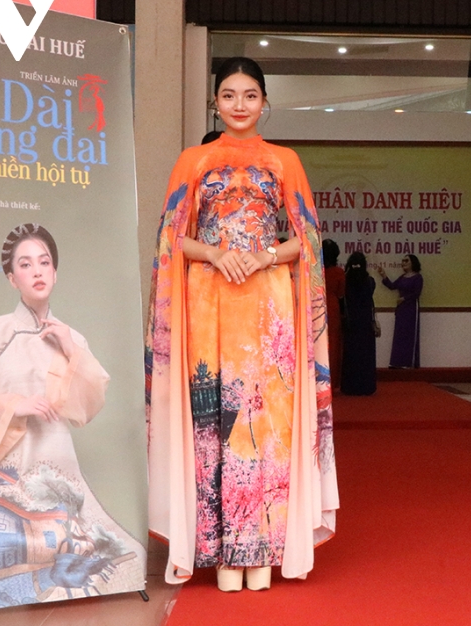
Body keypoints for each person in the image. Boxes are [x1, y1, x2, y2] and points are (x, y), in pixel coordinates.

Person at [145, 56, 338, 593]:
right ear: (215, 102)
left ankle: (264, 549)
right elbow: (169, 238)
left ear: (265, 102)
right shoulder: (193, 160)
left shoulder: (285, 161)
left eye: (250, 95)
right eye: (229, 95)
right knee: (215, 420)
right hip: (208, 305)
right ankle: (220, 551)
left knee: (267, 420)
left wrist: (265, 256)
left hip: (268, 306)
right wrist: (213, 252)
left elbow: (308, 239)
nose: (239, 104)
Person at [0, 223, 146, 614]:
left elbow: (86, 406)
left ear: (55, 272)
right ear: (11, 278)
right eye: (25, 264)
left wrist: (71, 350)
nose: (37, 271)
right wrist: (14, 405)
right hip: (5, 467)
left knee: (123, 560)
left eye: (44, 262)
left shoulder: (72, 338)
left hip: (56, 468)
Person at [340, 251, 378, 396]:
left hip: (350, 323)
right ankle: (366, 386)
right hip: (365, 322)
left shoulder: (345, 281)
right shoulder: (370, 282)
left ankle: (350, 386)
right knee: (365, 355)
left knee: (351, 355)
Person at [376, 254, 423, 368]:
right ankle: (397, 362)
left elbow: (417, 293)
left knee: (409, 335)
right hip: (401, 309)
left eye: (406, 261)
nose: (403, 263)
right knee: (399, 335)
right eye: (402, 261)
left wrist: (404, 298)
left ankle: (409, 362)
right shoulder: (402, 277)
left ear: (413, 263)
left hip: (411, 308)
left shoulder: (418, 277)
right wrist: (383, 275)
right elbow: (392, 286)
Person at [323, 239, 346, 389]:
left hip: (315, 306)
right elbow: (341, 293)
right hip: (333, 307)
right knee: (333, 344)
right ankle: (331, 381)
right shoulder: (339, 272)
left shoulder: (313, 270)